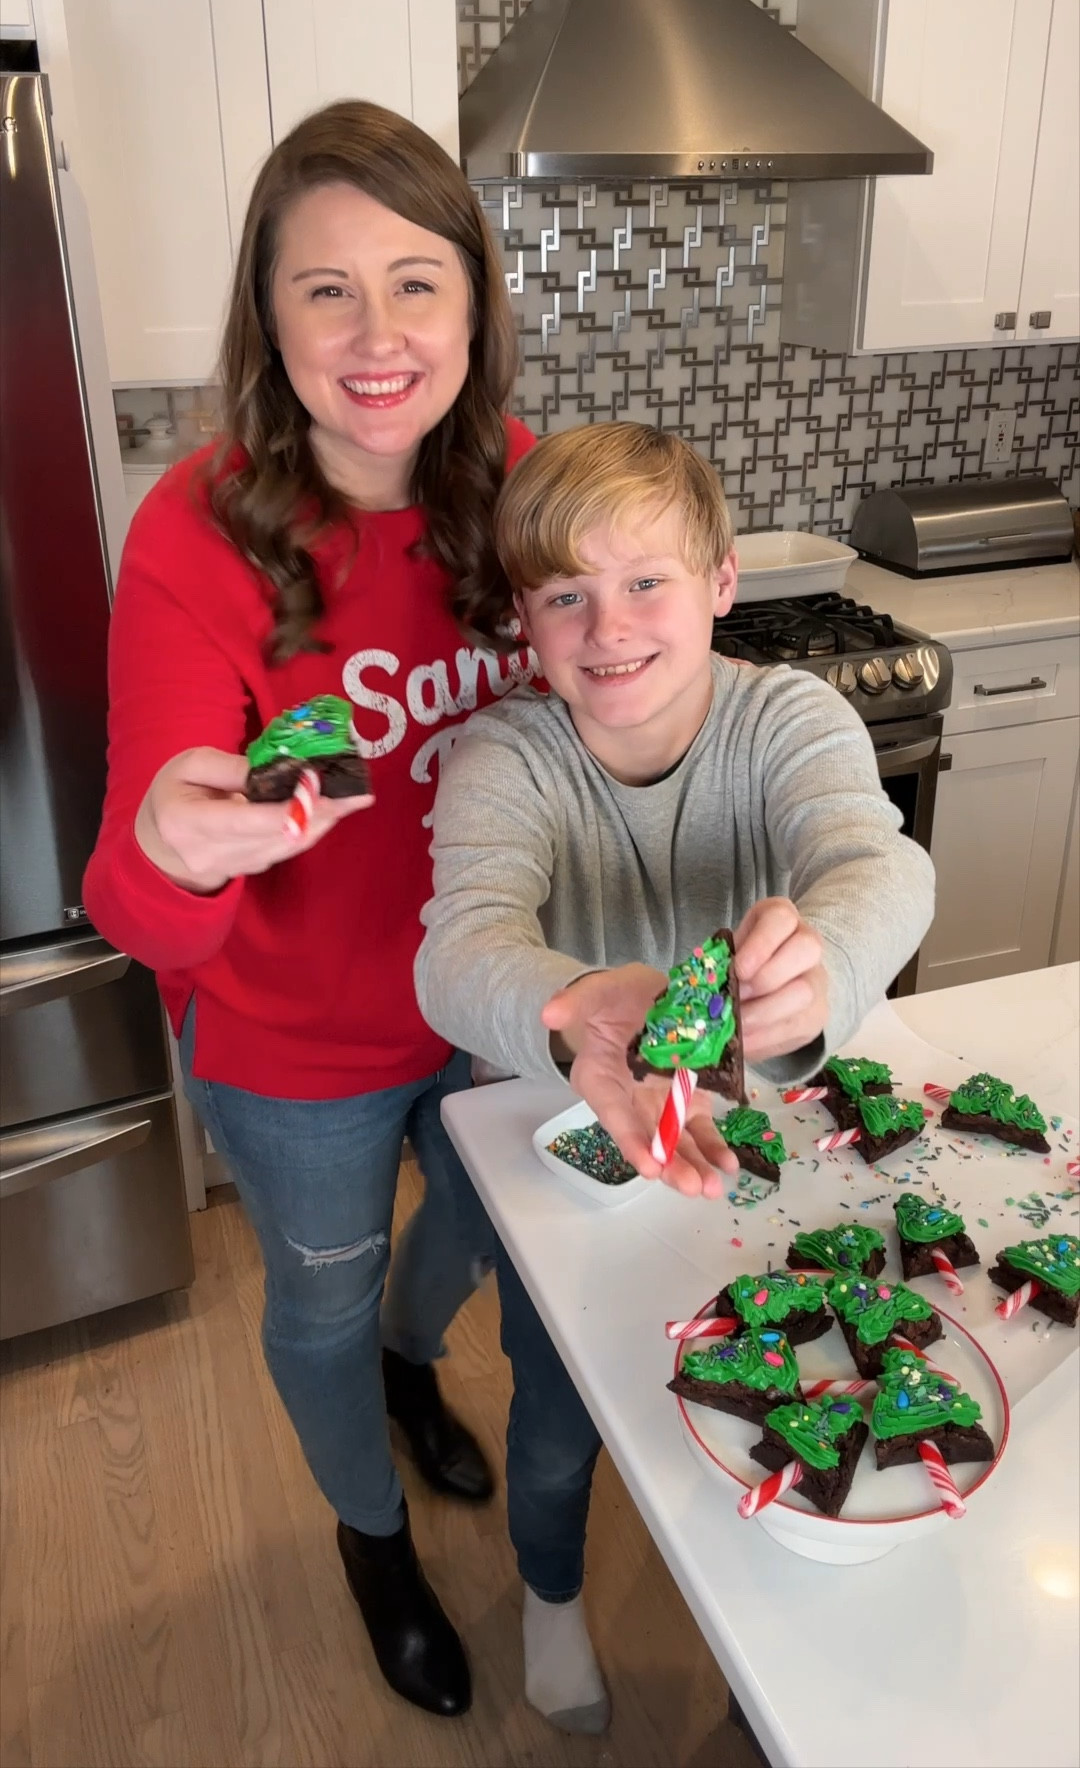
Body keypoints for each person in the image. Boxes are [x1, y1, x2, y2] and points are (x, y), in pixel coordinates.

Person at [83, 100, 538, 1720]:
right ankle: (370, 1540)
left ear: (476, 306)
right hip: (297, 1053)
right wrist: (178, 854)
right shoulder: (198, 532)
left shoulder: (523, 489)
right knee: (322, 1302)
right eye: (323, 287)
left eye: (417, 282)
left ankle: (422, 1369)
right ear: (265, 317)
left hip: (493, 1010)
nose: (376, 333)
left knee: (490, 1244)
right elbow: (140, 899)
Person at [415, 420, 935, 1733]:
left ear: (720, 581)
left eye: (647, 581)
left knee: (765, 1351)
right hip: (556, 1131)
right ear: (525, 619)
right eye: (566, 596)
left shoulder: (789, 718)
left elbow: (881, 862)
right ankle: (546, 1591)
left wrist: (826, 952)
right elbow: (456, 947)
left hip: (741, 1142)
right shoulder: (506, 757)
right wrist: (576, 1003)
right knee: (555, 1412)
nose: (611, 628)